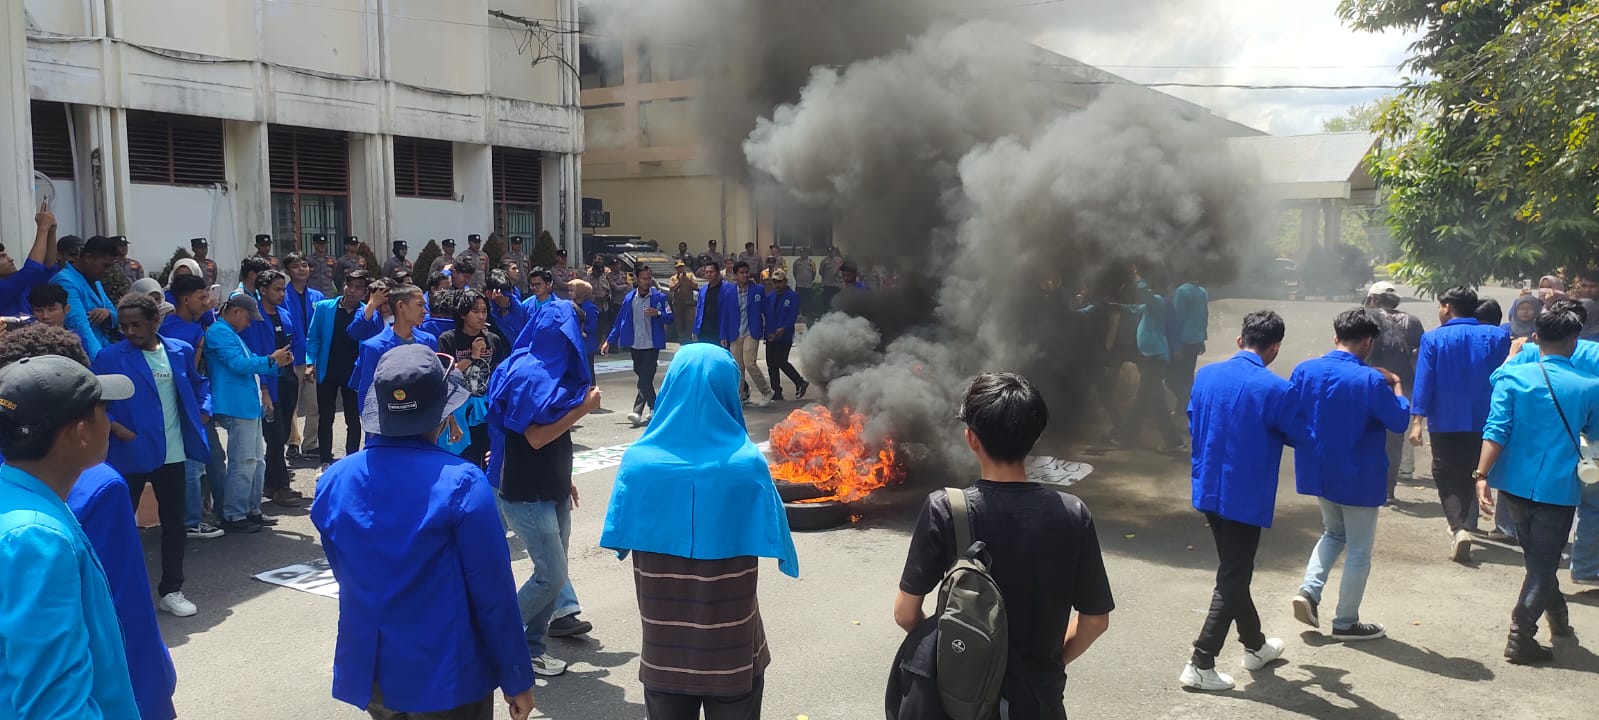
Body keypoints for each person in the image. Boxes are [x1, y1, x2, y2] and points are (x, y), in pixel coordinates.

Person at [312, 344, 537, 720]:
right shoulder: (462, 481)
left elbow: (343, 569)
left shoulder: (334, 479)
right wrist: (516, 678)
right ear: (442, 411)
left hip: (373, 667)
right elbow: (493, 593)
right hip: (446, 674)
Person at [893, 372, 1113, 719]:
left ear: (971, 438)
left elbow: (905, 613)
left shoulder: (945, 509)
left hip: (963, 697)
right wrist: (1049, 662)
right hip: (1039, 700)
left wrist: (957, 650)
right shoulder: (1073, 514)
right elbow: (1095, 620)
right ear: (1035, 436)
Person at [599, 343, 801, 718]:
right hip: (732, 650)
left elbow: (620, 537)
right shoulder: (746, 465)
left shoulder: (638, 464)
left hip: (664, 651)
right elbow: (775, 534)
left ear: (672, 383)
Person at [0, 352, 141, 719]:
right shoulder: (37, 538)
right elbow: (54, 704)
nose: (110, 421)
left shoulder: (14, 500)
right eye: (103, 411)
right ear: (80, 433)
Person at [1180, 310, 1308, 691]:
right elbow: (1301, 435)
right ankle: (1201, 661)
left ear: (1240, 341)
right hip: (1244, 496)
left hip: (1207, 488)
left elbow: (1192, 418)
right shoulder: (1276, 388)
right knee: (1233, 575)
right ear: (1274, 348)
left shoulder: (1206, 375)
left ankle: (1255, 645)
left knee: (1235, 570)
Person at [1473, 299, 1599, 664]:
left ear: (1535, 336)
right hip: (1558, 489)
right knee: (1543, 565)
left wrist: (1481, 475)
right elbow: (1593, 434)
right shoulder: (1588, 386)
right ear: (1574, 340)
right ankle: (1520, 635)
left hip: (1512, 483)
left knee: (1538, 562)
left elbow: (1496, 429)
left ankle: (1559, 622)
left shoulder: (1511, 376)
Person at [486, 300, 601, 678]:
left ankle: (533, 647)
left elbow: (552, 439)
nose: (577, 337)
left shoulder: (553, 368)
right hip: (526, 493)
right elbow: (534, 438)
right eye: (575, 329)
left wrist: (563, 478)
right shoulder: (527, 371)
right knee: (550, 575)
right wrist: (582, 410)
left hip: (551, 488)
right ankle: (491, 639)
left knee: (553, 576)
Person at [1287, 308, 1410, 642]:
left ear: (1336, 336)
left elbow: (1290, 415)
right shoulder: (1370, 380)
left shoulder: (1305, 370)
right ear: (1368, 342)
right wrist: (1397, 385)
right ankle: (1345, 621)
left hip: (1319, 470)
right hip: (1358, 474)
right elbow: (1399, 421)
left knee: (1333, 532)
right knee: (1358, 550)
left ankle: (1309, 591)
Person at [93, 291, 212, 618]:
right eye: (125, 326)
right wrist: (117, 428)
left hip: (172, 454)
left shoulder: (179, 350)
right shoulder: (109, 356)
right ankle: (110, 591)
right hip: (128, 454)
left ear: (155, 321)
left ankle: (171, 589)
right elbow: (95, 400)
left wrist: (204, 410)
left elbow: (200, 384)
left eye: (137, 325)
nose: (130, 332)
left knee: (174, 525)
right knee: (118, 525)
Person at [1409, 286, 1511, 562]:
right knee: (1476, 470)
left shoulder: (1433, 338)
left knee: (1447, 473)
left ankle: (1460, 527)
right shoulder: (1498, 336)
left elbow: (1424, 381)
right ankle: (1468, 523)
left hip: (1446, 419)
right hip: (1487, 417)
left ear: (1447, 307)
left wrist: (1417, 420)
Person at [205, 293, 293, 534]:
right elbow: (238, 365)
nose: (250, 322)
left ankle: (250, 509)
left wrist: (275, 362)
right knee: (243, 461)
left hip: (246, 404)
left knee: (255, 461)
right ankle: (234, 514)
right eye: (247, 317)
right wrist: (271, 360)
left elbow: (249, 361)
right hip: (236, 404)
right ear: (235, 311)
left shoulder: (229, 333)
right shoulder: (219, 332)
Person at [162, 274, 225, 539]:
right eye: (202, 297)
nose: (207, 302)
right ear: (185, 300)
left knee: (209, 459)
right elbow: (188, 375)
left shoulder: (193, 324)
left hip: (196, 404)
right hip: (187, 407)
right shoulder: (182, 332)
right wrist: (199, 409)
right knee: (195, 463)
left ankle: (215, 512)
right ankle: (192, 520)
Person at [1364, 281, 1426, 502]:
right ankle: (1388, 490)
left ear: (1372, 299)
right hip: (1402, 384)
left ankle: (1368, 484)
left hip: (1369, 383)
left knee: (1366, 434)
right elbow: (1420, 353)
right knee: (1394, 438)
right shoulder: (1412, 321)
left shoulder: (1366, 317)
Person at [252, 270, 305, 507]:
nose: (282, 294)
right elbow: (255, 354)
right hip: (268, 384)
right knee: (274, 435)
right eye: (276, 289)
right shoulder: (255, 317)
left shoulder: (284, 315)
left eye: (283, 289)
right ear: (262, 290)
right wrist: (263, 387)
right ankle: (281, 485)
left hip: (287, 380)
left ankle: (270, 483)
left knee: (283, 435)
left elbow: (296, 342)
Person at [437, 289, 507, 468]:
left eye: (484, 311)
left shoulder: (493, 339)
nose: (481, 316)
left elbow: (500, 373)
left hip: (487, 408)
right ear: (462, 314)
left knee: (488, 459)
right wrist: (472, 357)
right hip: (460, 411)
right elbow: (446, 376)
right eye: (475, 311)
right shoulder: (448, 339)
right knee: (463, 459)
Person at [308, 270, 371, 471]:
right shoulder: (325, 308)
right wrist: (310, 362)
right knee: (325, 417)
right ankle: (325, 460)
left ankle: (351, 460)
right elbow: (313, 337)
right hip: (328, 370)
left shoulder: (366, 314)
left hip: (353, 373)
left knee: (353, 418)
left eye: (358, 288)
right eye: (349, 285)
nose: (352, 291)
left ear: (365, 292)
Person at [1115, 274, 1183, 451]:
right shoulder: (1154, 305)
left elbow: (1144, 294)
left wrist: (1137, 275)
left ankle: (1172, 441)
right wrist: (1116, 306)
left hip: (1154, 356)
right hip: (1152, 356)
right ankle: (1129, 436)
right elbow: (1135, 308)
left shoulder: (1158, 302)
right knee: (1144, 398)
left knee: (1153, 399)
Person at [352, 283, 438, 416]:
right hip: (387, 422)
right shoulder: (374, 347)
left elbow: (437, 384)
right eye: (420, 305)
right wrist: (371, 428)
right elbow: (366, 390)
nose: (425, 311)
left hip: (424, 420)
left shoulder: (429, 341)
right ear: (401, 306)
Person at [603, 266, 673, 426]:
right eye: (643, 278)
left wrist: (658, 314)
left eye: (649, 278)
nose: (647, 281)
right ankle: (651, 408)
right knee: (642, 377)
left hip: (651, 344)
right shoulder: (629, 299)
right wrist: (609, 340)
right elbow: (620, 321)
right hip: (635, 344)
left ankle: (646, 409)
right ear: (636, 278)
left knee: (645, 378)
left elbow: (669, 317)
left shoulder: (659, 298)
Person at [50, 234, 119, 359]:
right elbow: (79, 326)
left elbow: (115, 312)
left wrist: (108, 313)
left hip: (104, 348)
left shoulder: (95, 279)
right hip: (84, 355)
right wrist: (101, 362)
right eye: (105, 265)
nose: (108, 271)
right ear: (87, 258)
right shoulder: (65, 281)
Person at [284, 254, 324, 462]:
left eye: (304, 265)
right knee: (291, 403)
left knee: (314, 403)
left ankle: (311, 443)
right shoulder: (283, 295)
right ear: (288, 271)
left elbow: (320, 328)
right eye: (295, 266)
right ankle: (293, 442)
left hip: (312, 358)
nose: (301, 269)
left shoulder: (317, 296)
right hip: (291, 357)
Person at [0, 203, 58, 316]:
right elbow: (32, 270)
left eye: (6, 255)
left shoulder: (18, 283)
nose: (10, 259)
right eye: (2, 257)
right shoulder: (4, 287)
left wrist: (51, 231)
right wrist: (43, 229)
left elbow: (48, 269)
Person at [729, 262, 774, 407]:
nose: (745, 275)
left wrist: (769, 330)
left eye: (746, 272)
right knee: (738, 366)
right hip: (736, 332)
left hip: (752, 331)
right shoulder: (729, 291)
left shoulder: (758, 290)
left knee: (749, 363)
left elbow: (766, 311)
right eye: (741, 273)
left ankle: (766, 391)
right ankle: (739, 396)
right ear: (735, 275)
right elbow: (725, 314)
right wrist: (724, 334)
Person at [764, 269, 809, 401]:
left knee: (780, 361)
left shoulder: (792, 296)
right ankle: (776, 391)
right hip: (771, 333)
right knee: (771, 363)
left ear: (785, 282)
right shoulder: (770, 296)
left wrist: (784, 328)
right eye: (775, 282)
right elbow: (767, 314)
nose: (777, 284)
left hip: (784, 335)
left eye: (780, 282)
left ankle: (800, 382)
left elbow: (792, 315)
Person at [1170, 277, 1209, 407]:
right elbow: (1204, 315)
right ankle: (1185, 407)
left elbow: (1177, 318)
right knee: (1188, 374)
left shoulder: (1181, 291)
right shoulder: (1202, 292)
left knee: (1176, 376)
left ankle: (1188, 405)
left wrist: (1176, 344)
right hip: (1196, 339)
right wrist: (1203, 337)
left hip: (1183, 340)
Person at [695, 258, 736, 348]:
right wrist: (695, 330)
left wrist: (724, 334)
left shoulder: (728, 289)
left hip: (720, 331)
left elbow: (730, 312)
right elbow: (699, 311)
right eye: (707, 272)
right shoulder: (703, 290)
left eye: (711, 272)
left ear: (718, 273)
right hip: (704, 331)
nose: (709, 274)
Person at [569, 279, 601, 384]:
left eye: (572, 291)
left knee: (588, 370)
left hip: (587, 344)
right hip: (574, 343)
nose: (570, 293)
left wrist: (582, 330)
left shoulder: (590, 308)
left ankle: (591, 390)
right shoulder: (570, 306)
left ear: (581, 292)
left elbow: (593, 326)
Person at [790, 249, 816, 319]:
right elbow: (794, 272)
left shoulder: (812, 262)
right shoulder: (796, 262)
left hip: (808, 286)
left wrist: (809, 280)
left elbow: (814, 273)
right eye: (801, 253)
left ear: (807, 253)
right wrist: (798, 279)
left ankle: (807, 316)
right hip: (799, 285)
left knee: (808, 301)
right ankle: (799, 316)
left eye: (805, 252)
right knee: (799, 301)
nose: (803, 254)